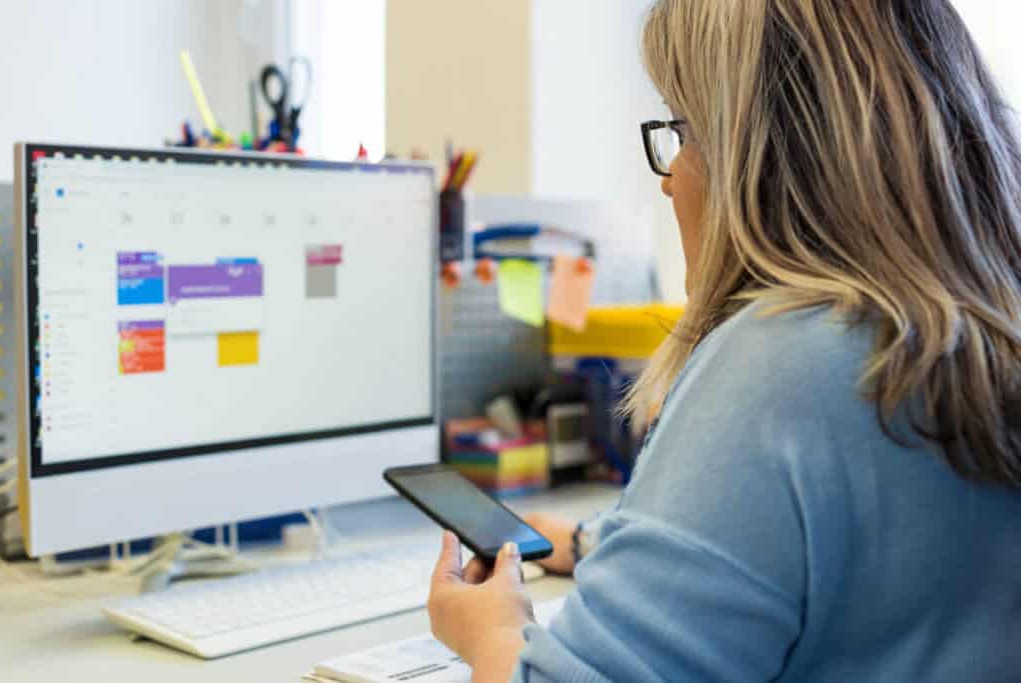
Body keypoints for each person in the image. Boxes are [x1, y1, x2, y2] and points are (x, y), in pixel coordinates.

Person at [428, 0, 1021, 680]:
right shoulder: (972, 340)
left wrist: (493, 630)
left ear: (761, 155)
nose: (669, 178)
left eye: (680, 129)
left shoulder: (785, 362)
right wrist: (601, 543)